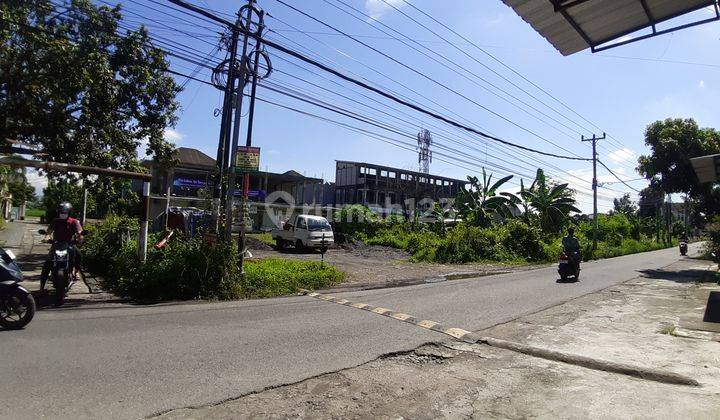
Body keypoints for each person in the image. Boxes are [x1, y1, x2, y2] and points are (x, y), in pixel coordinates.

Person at [40, 202, 91, 293]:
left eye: (65, 212)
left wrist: (80, 239)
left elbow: (79, 233)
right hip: (56, 245)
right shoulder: (55, 221)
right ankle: (41, 287)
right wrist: (46, 238)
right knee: (47, 264)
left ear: (69, 212)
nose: (63, 214)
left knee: (79, 255)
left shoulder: (74, 221)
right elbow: (48, 232)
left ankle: (75, 272)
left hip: (69, 245)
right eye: (61, 212)